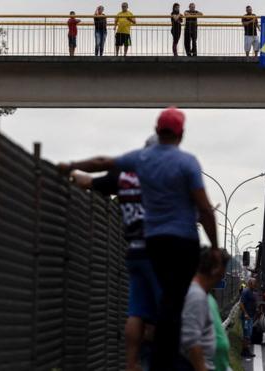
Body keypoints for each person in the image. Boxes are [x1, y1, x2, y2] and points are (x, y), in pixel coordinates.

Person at [57, 107, 220, 371]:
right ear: (181, 134)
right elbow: (203, 208)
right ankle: (163, 362)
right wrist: (213, 245)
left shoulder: (137, 164)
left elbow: (99, 165)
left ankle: (132, 364)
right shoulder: (186, 163)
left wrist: (70, 167)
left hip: (145, 244)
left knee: (139, 309)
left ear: (157, 130)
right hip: (178, 243)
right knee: (170, 305)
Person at [71, 135, 162, 371]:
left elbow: (88, 182)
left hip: (134, 250)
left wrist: (72, 173)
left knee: (136, 311)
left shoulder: (124, 175)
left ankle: (131, 363)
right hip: (160, 252)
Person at [177, 248, 230, 371]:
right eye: (223, 268)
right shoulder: (196, 295)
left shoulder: (203, 295)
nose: (223, 275)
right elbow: (191, 341)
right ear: (216, 269)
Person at [239, 278, 258, 358]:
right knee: (246, 334)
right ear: (250, 283)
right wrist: (246, 314)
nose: (255, 285)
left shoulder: (251, 292)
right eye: (254, 283)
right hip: (246, 317)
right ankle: (244, 351)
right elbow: (241, 304)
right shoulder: (246, 291)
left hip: (250, 316)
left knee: (248, 334)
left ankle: (246, 350)